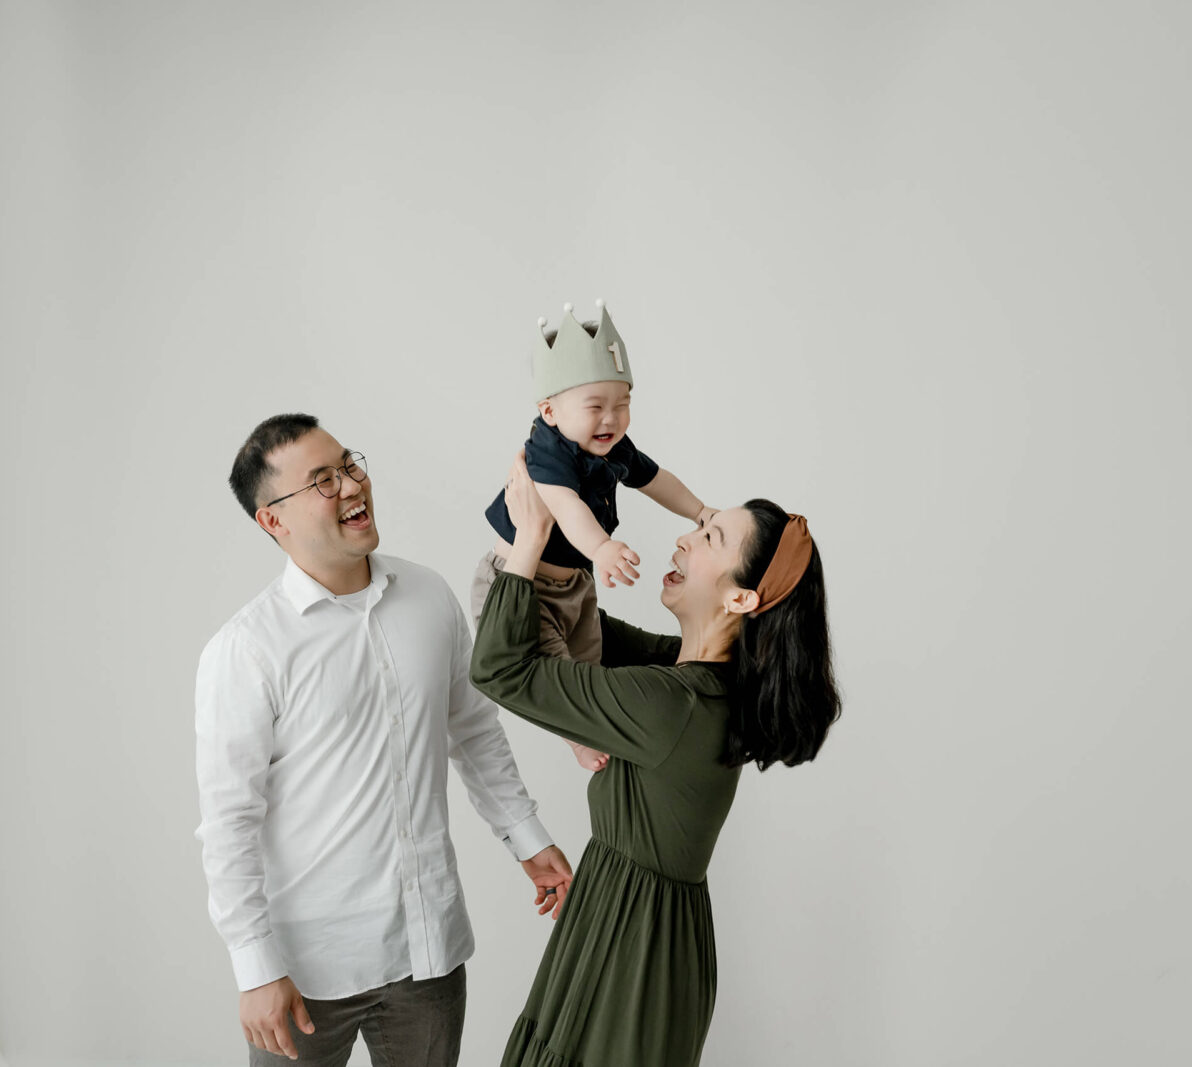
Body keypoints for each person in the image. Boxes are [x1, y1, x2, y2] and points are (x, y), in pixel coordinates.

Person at [196, 414, 574, 1065]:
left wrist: (529, 839)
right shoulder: (247, 650)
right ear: (273, 520)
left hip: (427, 955)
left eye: (349, 464)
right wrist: (254, 966)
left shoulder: (428, 595)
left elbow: (473, 731)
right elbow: (229, 821)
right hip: (304, 973)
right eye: (322, 480)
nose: (351, 485)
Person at [470, 452, 842, 1066]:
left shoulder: (675, 703)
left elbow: (501, 668)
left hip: (632, 948)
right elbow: (576, 627)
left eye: (709, 537)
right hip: (635, 929)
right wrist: (566, 503)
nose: (684, 537)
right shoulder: (695, 677)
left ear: (743, 598)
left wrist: (532, 535)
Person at [476, 300, 714, 773]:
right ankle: (577, 740)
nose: (612, 419)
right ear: (549, 410)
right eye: (596, 407)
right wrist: (602, 547)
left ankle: (589, 724)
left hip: (575, 584)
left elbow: (655, 478)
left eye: (622, 405)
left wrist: (700, 511)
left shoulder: (612, 444)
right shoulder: (545, 450)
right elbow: (566, 507)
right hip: (523, 588)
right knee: (557, 669)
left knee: (587, 664)